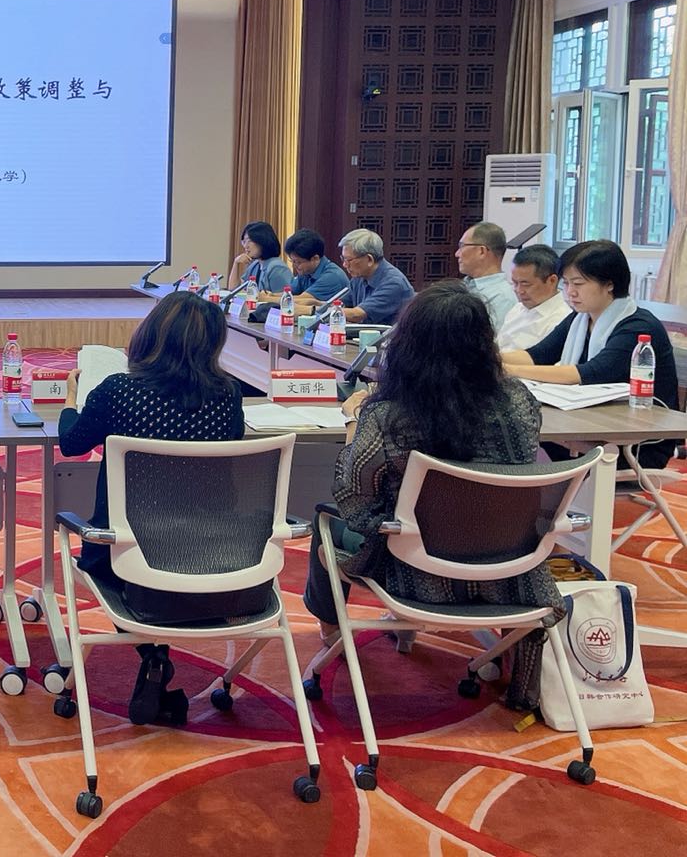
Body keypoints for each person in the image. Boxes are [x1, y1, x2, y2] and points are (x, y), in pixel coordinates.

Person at [302, 282, 562, 709]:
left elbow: (354, 498)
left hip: (415, 570)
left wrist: (354, 419)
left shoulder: (390, 415)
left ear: (408, 345)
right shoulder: (518, 401)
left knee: (324, 519)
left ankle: (333, 633)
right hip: (507, 563)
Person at [58, 291, 261, 726]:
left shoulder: (118, 391)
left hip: (124, 554)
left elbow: (72, 444)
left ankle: (151, 652)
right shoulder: (227, 395)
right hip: (211, 551)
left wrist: (72, 398)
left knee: (109, 556)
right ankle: (155, 647)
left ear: (149, 336)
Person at [502, 239, 679, 469]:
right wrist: (486, 358)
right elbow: (538, 355)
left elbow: (587, 373)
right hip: (589, 423)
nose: (570, 292)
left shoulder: (637, 326)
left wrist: (507, 370)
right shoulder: (580, 318)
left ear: (609, 284)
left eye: (578, 283)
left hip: (637, 441)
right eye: (566, 284)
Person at [496, 245, 571, 352]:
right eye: (515, 283)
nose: (518, 290)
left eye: (525, 284)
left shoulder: (562, 320)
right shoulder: (518, 308)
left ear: (552, 281)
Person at [339, 228, 415, 324]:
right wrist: (321, 306)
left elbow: (357, 315)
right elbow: (340, 304)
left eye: (349, 260)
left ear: (369, 259)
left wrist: (330, 313)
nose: (344, 265)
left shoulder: (394, 283)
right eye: (343, 259)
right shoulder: (359, 277)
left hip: (392, 333)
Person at [457, 221, 514, 330]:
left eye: (462, 246)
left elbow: (495, 339)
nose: (457, 254)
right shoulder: (463, 285)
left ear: (481, 251)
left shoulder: (502, 298)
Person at [283, 228, 350, 310]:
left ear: (315, 258)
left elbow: (301, 300)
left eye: (298, 262)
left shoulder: (332, 276)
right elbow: (288, 294)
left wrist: (269, 299)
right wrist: (270, 295)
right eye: (292, 261)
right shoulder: (306, 272)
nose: (294, 266)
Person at [226, 221, 291, 294]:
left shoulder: (277, 268)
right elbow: (233, 289)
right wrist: (236, 262)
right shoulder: (255, 265)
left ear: (263, 241)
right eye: (244, 241)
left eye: (249, 241)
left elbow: (283, 297)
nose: (246, 246)